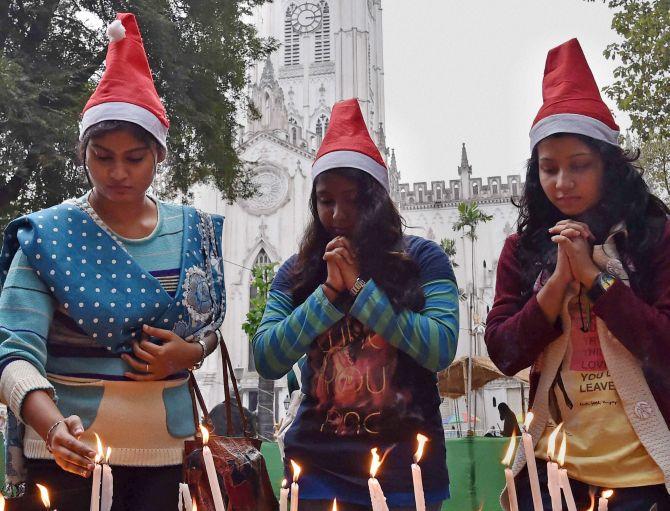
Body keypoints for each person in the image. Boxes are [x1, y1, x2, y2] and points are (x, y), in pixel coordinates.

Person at [0, 14, 225, 510]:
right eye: (103, 157)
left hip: (168, 459)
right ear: (83, 153)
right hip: (66, 457)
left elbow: (207, 327)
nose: (118, 172)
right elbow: (13, 352)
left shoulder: (196, 231)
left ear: (159, 156)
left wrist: (192, 353)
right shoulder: (49, 237)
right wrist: (53, 427)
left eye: (135, 157)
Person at [485, 38, 670, 510]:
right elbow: (504, 351)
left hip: (645, 478)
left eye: (579, 166)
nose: (562, 184)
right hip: (553, 476)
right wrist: (555, 287)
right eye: (549, 169)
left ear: (610, 166)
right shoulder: (522, 250)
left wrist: (596, 279)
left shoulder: (655, 238)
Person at [252, 99, 459, 511]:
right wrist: (327, 295)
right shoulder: (295, 272)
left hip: (405, 475)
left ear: (379, 200)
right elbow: (268, 357)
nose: (338, 214)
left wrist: (362, 292)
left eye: (353, 200)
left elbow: (440, 347)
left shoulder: (424, 259)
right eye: (326, 201)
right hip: (315, 475)